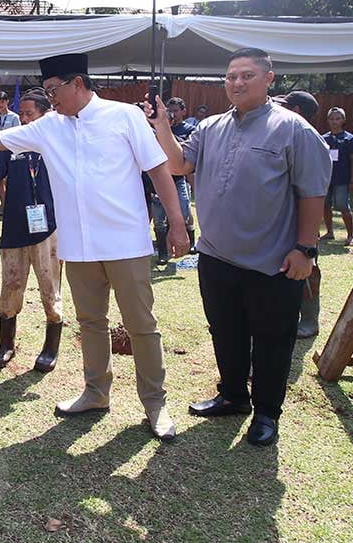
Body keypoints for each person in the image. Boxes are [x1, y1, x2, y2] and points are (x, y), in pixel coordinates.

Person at [0, 53, 187, 441]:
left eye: (55, 90)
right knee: (91, 323)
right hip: (78, 245)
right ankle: (95, 392)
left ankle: (155, 403)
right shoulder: (48, 127)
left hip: (125, 242)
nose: (50, 98)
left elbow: (158, 168)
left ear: (78, 83)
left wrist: (176, 222)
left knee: (141, 325)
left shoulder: (123, 116)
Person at [147, 48, 331, 446]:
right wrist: (162, 125)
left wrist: (305, 249)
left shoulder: (294, 130)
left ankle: (267, 413)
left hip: (274, 261)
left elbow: (312, 194)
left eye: (247, 75)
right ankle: (233, 394)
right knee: (225, 331)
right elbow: (179, 164)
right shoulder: (211, 127)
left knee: (272, 338)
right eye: (230, 76)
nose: (237, 83)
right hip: (215, 256)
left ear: (269, 79)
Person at [0, 89, 64, 372]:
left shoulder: (55, 143)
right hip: (14, 227)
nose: (24, 119)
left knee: (50, 288)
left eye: (30, 113)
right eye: (23, 113)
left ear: (44, 114)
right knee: (10, 287)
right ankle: (6, 346)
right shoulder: (10, 144)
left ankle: (50, 349)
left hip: (47, 229)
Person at [277, 91, 327, 339]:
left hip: (302, 219)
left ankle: (309, 319)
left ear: (296, 111)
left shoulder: (310, 139)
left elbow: (313, 192)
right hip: (280, 219)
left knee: (308, 271)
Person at [152, 98, 197, 260]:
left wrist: (168, 134)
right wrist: (163, 128)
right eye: (170, 111)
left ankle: (189, 242)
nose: (173, 114)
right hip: (158, 178)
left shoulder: (191, 130)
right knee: (158, 218)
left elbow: (186, 155)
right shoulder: (157, 129)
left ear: (183, 111)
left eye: (176, 110)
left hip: (179, 179)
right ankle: (163, 253)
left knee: (184, 211)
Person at [321, 106, 353, 245]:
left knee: (342, 206)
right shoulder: (323, 138)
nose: (335, 121)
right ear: (328, 120)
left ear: (343, 120)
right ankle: (329, 232)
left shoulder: (349, 139)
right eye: (332, 119)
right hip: (326, 179)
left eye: (338, 118)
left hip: (342, 179)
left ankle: (350, 235)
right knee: (325, 205)